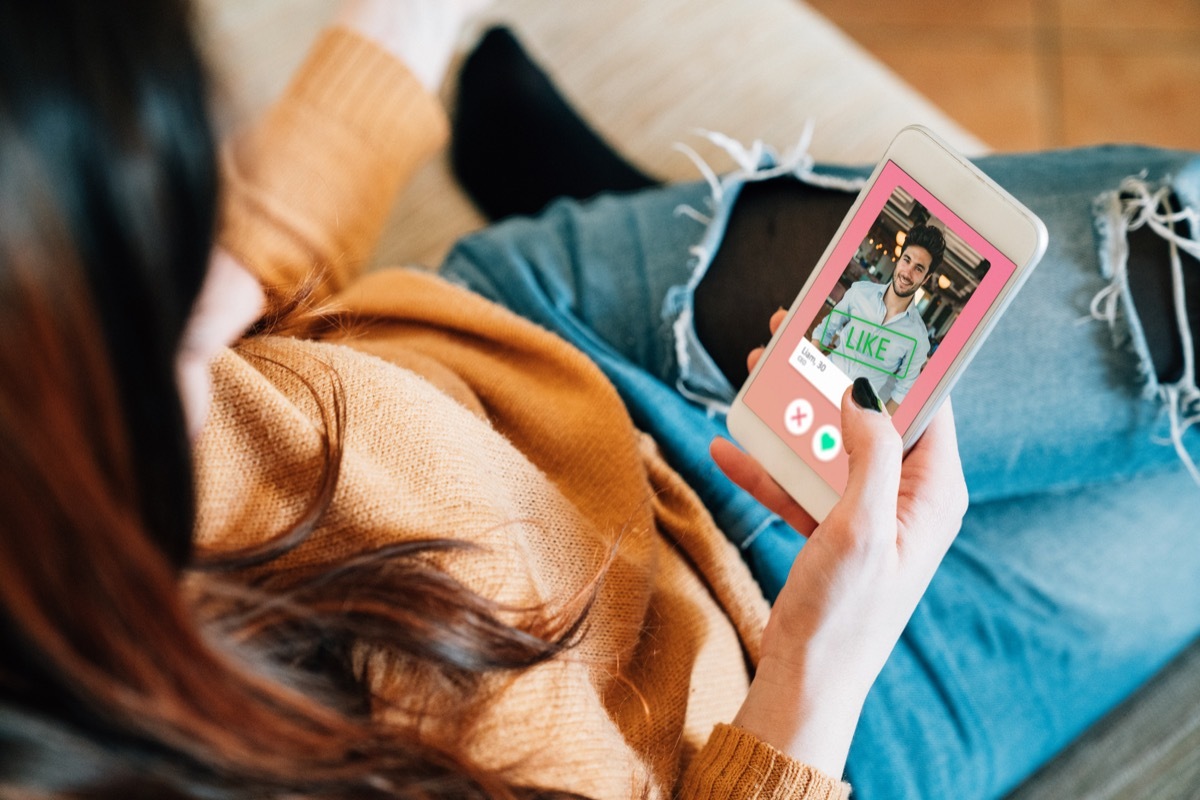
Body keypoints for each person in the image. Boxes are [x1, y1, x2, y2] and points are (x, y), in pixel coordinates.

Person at [2, 4, 1199, 800]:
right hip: (815, 708)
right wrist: (817, 681)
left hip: (547, 345)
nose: (214, 293)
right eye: (162, 304)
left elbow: (234, 268)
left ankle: (607, 207)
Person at [816, 224, 944, 412]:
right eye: (906, 260)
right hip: (821, 382)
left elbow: (902, 392)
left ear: (925, 278)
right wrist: (807, 370)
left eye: (918, 269)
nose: (907, 273)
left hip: (858, 411)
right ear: (899, 259)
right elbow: (824, 331)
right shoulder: (859, 292)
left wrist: (876, 427)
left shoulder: (918, 338)